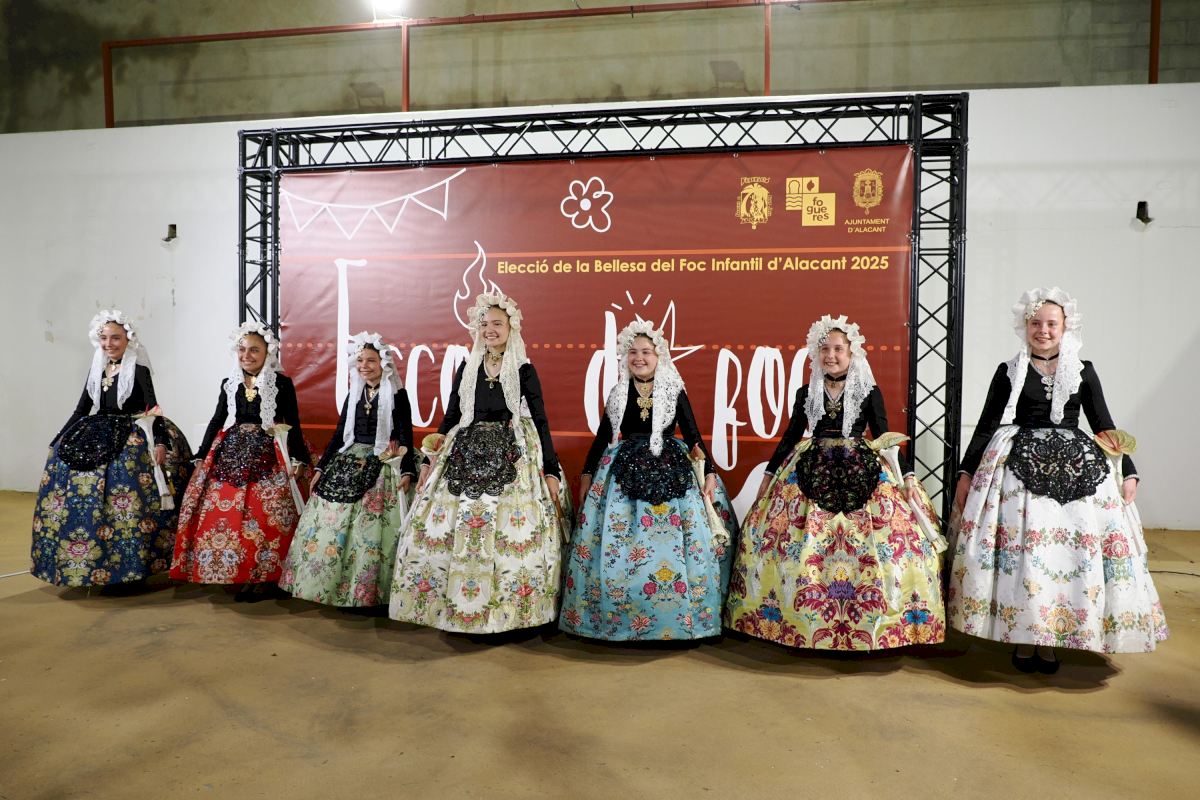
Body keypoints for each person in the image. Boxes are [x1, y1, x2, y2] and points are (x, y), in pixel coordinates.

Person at [949, 288, 1167, 671]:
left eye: (1052, 324)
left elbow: (1103, 423)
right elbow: (986, 425)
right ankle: (1025, 637)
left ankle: (1052, 640)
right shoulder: (1009, 370)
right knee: (1026, 555)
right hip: (1018, 469)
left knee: (1067, 556)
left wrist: (1128, 469)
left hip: (1076, 467)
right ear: (1025, 325)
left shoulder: (1083, 370)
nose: (1043, 330)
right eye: (1036, 323)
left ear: (1066, 327)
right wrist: (966, 473)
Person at [724, 314, 946, 650]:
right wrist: (769, 475)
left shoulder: (868, 391)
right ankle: (804, 620)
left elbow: (883, 437)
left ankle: (869, 624)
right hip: (810, 470)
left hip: (861, 470)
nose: (831, 355)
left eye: (838, 349)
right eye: (825, 349)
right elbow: (791, 436)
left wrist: (908, 476)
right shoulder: (806, 392)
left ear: (851, 352)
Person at [389, 292, 570, 632]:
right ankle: (456, 609)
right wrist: (430, 458)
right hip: (465, 448)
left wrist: (550, 470)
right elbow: (452, 415)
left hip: (514, 451)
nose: (490, 330)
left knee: (505, 531)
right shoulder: (468, 367)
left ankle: (507, 613)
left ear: (511, 328)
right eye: (484, 324)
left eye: (497, 324)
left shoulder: (524, 370)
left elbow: (541, 420)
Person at [559, 320, 738, 641]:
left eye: (646, 352)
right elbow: (603, 436)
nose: (639, 358)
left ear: (659, 356)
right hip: (622, 471)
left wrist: (710, 471)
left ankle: (678, 619)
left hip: (672, 467)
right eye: (633, 352)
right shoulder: (619, 392)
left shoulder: (673, 390)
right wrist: (586, 474)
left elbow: (693, 434)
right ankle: (618, 619)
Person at [32, 310, 193, 591]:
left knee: (128, 501)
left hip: (131, 433)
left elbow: (152, 409)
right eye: (104, 338)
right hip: (96, 430)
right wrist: (57, 439)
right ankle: (96, 566)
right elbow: (82, 409)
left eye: (115, 338)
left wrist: (160, 443)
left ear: (128, 339)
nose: (109, 343)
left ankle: (132, 569)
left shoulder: (139, 371)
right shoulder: (97, 368)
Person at [170, 322, 311, 601]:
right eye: (242, 349)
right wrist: (201, 455)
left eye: (254, 350)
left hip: (271, 450)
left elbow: (292, 422)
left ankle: (268, 576)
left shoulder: (282, 383)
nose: (247, 355)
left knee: (268, 514)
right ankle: (240, 572)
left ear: (267, 352)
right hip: (232, 450)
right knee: (229, 514)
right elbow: (217, 419)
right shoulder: (229, 382)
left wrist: (298, 459)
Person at [280, 333, 416, 608]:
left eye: (371, 361)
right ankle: (332, 588)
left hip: (383, 460)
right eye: (360, 360)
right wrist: (322, 467)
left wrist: (406, 471)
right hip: (349, 458)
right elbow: (340, 434)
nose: (364, 366)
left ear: (384, 363)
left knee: (371, 529)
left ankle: (371, 594)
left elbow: (405, 435)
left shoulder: (397, 395)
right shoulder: (354, 394)